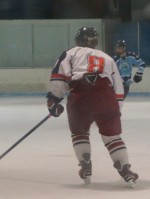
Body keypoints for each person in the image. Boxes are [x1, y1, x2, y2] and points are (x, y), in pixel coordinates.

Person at [46, 27, 138, 187]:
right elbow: (118, 87)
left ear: (78, 39)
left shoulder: (70, 53)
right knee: (112, 137)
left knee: (79, 133)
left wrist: (54, 100)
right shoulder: (107, 57)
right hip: (106, 97)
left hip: (80, 97)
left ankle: (85, 164)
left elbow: (58, 77)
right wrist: (117, 109)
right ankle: (125, 169)